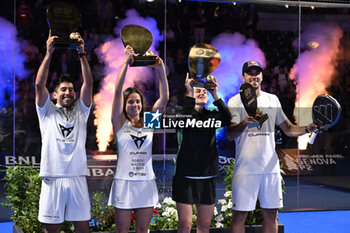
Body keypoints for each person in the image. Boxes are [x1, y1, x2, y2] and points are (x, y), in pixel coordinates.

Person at [227, 61, 317, 233]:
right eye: (250, 73)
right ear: (243, 77)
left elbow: (289, 129)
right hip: (246, 168)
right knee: (239, 216)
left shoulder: (272, 99)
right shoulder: (235, 101)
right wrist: (244, 123)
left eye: (257, 72)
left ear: (262, 76)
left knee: (271, 215)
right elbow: (230, 134)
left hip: (270, 168)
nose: (254, 76)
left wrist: (307, 128)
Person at [35, 30, 93, 233]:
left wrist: (82, 53)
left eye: (71, 90)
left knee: (83, 230)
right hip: (53, 177)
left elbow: (89, 84)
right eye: (63, 90)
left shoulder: (81, 111)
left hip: (77, 177)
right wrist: (49, 53)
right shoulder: (46, 111)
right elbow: (38, 84)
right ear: (54, 94)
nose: (68, 92)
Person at [108, 45, 169, 233]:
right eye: (130, 101)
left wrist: (160, 69)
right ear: (124, 105)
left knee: (143, 230)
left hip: (145, 183)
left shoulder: (149, 122)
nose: (134, 104)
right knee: (122, 230)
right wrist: (126, 62)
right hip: (124, 183)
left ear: (142, 104)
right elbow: (117, 92)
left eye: (137, 101)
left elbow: (164, 98)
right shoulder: (119, 123)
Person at [172, 74, 232, 233]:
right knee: (185, 226)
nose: (202, 93)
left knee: (204, 227)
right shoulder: (182, 115)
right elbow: (187, 120)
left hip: (207, 177)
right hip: (185, 177)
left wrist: (215, 94)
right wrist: (189, 90)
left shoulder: (212, 115)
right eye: (198, 91)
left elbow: (227, 118)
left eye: (204, 92)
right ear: (189, 95)